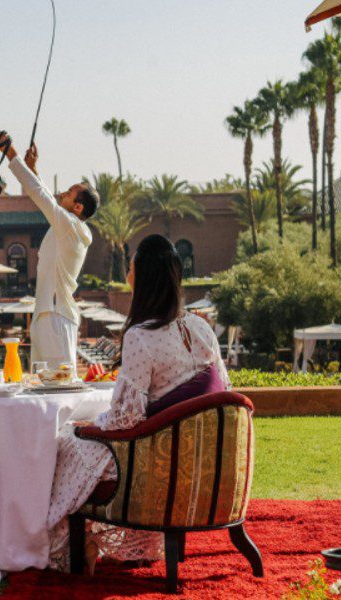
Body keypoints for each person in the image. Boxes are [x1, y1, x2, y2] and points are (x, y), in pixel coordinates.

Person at [45, 235, 231, 571]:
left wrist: (86, 428)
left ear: (142, 279)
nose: (127, 277)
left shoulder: (141, 336)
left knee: (65, 442)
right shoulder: (201, 328)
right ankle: (138, 545)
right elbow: (224, 392)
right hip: (203, 459)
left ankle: (76, 547)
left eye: (130, 271)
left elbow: (125, 419)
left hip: (157, 459)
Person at [0, 133, 99, 371]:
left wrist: (10, 153)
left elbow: (41, 196)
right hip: (46, 315)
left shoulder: (70, 226)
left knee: (59, 388)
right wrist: (33, 169)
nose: (62, 193)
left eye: (69, 193)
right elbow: (47, 198)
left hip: (55, 317)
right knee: (41, 387)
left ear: (78, 207)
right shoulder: (66, 226)